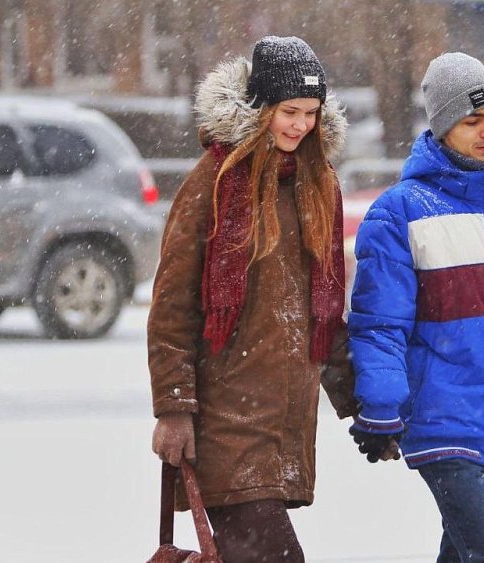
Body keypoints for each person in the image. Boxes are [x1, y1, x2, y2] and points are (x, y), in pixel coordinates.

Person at [347, 52, 484, 562]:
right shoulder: (401, 211)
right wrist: (381, 406)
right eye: (472, 121)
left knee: (463, 556)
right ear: (443, 127)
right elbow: (379, 324)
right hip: (439, 419)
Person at [147, 36, 358, 562]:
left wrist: (360, 403)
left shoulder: (318, 185)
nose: (300, 125)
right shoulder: (213, 185)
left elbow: (322, 312)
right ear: (260, 107)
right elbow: (172, 306)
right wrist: (173, 408)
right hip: (225, 419)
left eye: (310, 113)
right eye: (289, 111)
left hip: (285, 418)